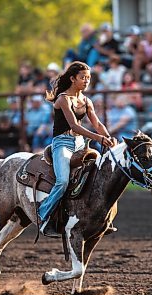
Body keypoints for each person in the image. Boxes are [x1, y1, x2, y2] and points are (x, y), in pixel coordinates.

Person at [39, 61, 116, 237]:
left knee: (100, 176)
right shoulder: (63, 99)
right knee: (63, 181)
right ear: (73, 78)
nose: (86, 81)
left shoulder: (86, 100)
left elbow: (97, 123)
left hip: (81, 143)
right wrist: (99, 138)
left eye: (88, 78)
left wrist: (108, 137)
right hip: (62, 143)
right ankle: (44, 216)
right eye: (83, 77)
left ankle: (102, 219)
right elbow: (74, 125)